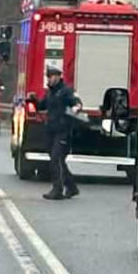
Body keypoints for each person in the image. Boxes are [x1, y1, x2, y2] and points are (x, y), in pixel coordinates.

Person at [37, 64, 81, 200]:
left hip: (63, 131)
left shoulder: (66, 91)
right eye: (47, 77)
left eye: (51, 76)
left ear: (57, 77)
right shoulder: (51, 92)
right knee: (57, 160)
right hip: (51, 130)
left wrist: (76, 107)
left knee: (57, 159)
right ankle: (72, 187)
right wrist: (33, 100)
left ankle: (58, 189)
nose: (49, 79)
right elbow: (42, 106)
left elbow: (76, 102)